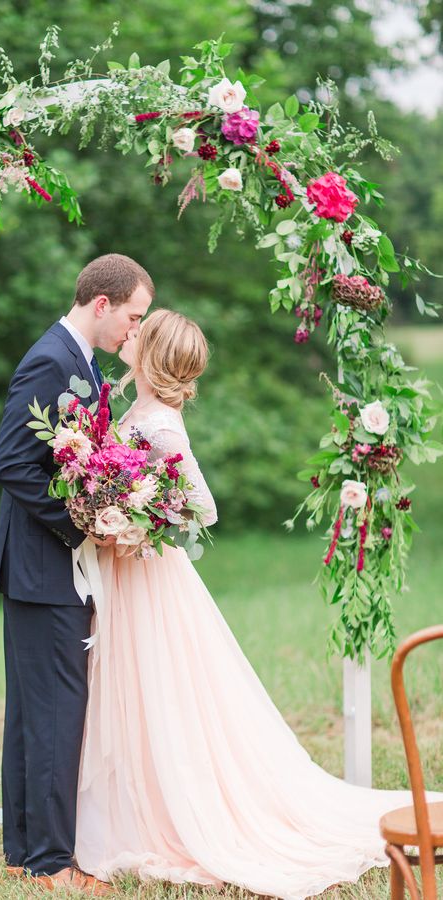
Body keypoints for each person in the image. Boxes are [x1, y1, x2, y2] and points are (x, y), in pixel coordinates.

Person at [74, 308, 435, 900]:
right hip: (132, 573)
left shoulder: (161, 425)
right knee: (136, 690)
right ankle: (136, 800)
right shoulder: (133, 408)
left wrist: (139, 518)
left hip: (150, 575)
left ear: (152, 353)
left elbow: (203, 506)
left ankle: (171, 810)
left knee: (159, 691)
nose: (130, 333)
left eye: (142, 330)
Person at [0, 253, 153, 892]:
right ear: (103, 303)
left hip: (42, 569)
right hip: (43, 565)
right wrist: (84, 521)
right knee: (57, 709)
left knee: (36, 710)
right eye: (133, 318)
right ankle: (51, 862)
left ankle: (24, 848)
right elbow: (11, 462)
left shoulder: (78, 363)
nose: (133, 333)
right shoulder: (52, 360)